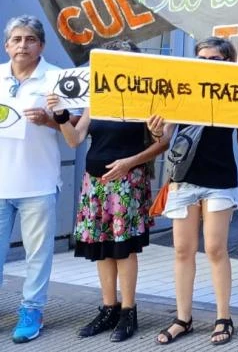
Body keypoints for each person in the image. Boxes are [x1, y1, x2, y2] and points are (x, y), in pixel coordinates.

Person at [45, 39, 169, 342]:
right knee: (102, 247)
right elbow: (74, 139)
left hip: (127, 181)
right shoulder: (95, 99)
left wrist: (129, 163)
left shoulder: (145, 97)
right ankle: (108, 307)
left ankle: (129, 311)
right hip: (95, 182)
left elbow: (161, 142)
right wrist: (61, 115)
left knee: (123, 248)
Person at [149, 37, 238, 346]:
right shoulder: (181, 87)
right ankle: (183, 317)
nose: (207, 62)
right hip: (184, 179)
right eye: (202, 57)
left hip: (220, 179)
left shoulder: (236, 92)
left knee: (215, 249)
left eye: (215, 58)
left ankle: (224, 317)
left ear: (227, 62)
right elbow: (165, 133)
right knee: (182, 250)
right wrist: (155, 128)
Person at [0, 16, 61, 344]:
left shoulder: (55, 79)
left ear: (41, 45)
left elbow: (74, 131)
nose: (22, 45)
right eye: (16, 39)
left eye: (30, 39)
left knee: (37, 254)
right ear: (7, 45)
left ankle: (32, 310)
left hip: (37, 182)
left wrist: (51, 121)